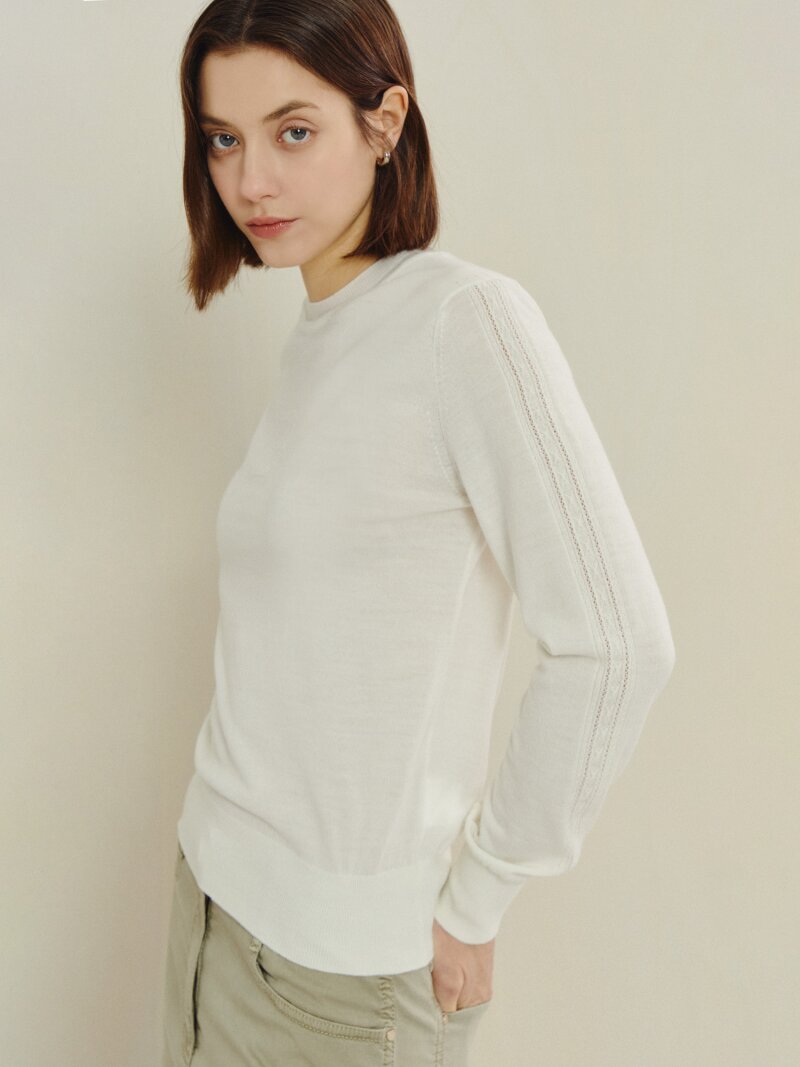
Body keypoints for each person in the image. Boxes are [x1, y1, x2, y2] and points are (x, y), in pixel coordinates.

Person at [160, 1, 676, 1064]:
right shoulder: (323, 334)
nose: (251, 180)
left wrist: (479, 895)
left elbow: (617, 643)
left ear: (384, 122)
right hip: (210, 903)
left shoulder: (463, 321)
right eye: (223, 139)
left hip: (339, 978)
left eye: (292, 131)